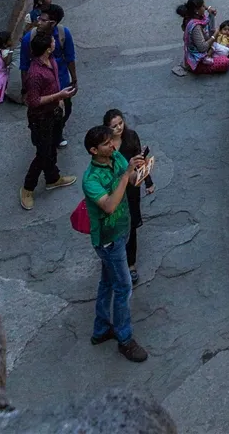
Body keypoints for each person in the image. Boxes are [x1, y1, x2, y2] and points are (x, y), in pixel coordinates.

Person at [81, 123, 150, 361]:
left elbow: (131, 179)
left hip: (123, 229)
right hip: (109, 239)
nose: (112, 145)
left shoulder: (116, 156)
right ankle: (125, 338)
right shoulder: (90, 179)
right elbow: (109, 206)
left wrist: (139, 170)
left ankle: (101, 329)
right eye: (106, 144)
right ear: (93, 151)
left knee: (107, 282)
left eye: (111, 141)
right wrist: (125, 175)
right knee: (123, 287)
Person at [20, 26, 76, 208]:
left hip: (54, 113)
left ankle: (53, 178)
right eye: (52, 41)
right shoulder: (35, 74)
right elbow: (33, 101)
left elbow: (56, 81)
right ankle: (27, 188)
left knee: (51, 148)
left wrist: (58, 100)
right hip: (41, 118)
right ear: (48, 48)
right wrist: (58, 96)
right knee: (42, 153)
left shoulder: (51, 60)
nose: (55, 41)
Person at [101, 108, 153, 273]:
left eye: (120, 123)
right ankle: (115, 255)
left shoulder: (131, 137)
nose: (119, 128)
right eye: (114, 126)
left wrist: (148, 181)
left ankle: (130, 263)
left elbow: (140, 160)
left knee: (131, 224)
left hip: (131, 189)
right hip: (113, 189)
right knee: (114, 223)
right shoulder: (105, 145)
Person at [42, 5, 77, 145]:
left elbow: (70, 57)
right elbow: (25, 64)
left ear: (53, 23)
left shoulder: (63, 33)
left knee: (65, 109)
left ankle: (57, 132)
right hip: (42, 83)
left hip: (61, 81)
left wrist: (74, 79)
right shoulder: (31, 36)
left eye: (43, 19)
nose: (38, 21)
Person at [173, 0, 229, 75]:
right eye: (203, 6)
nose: (205, 8)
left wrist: (210, 12)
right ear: (196, 10)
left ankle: (213, 55)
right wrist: (215, 36)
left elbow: (209, 31)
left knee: (227, 50)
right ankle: (199, 67)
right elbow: (202, 48)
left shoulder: (198, 17)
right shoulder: (195, 27)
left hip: (206, 47)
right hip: (198, 59)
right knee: (225, 62)